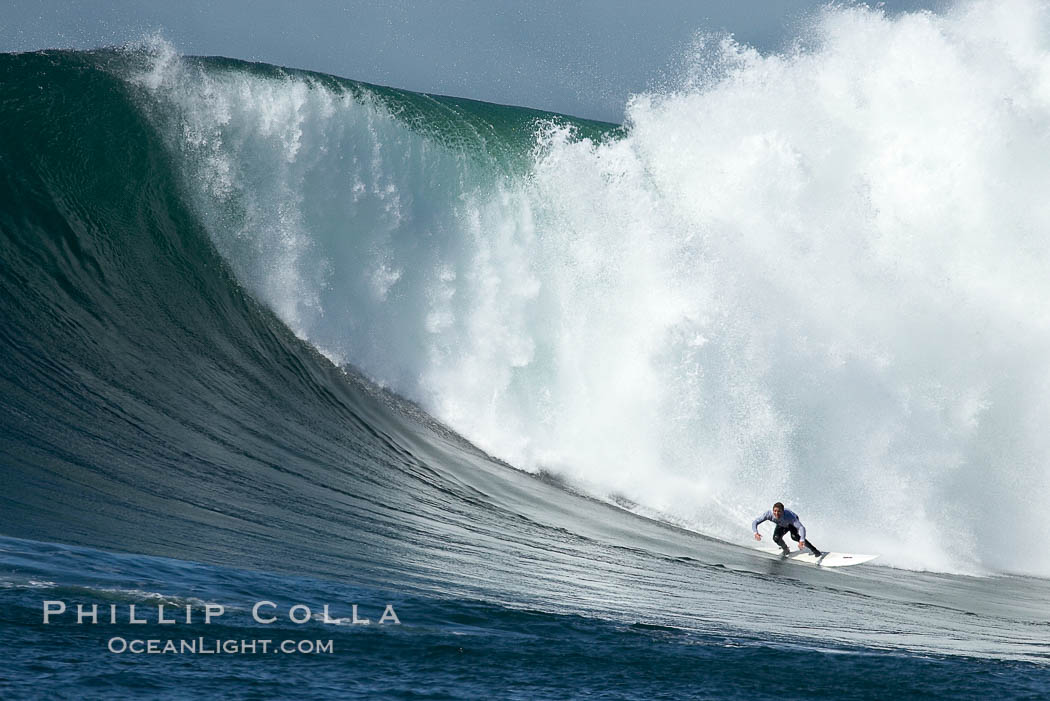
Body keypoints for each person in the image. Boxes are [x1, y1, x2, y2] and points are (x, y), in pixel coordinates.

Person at [752, 502, 822, 557]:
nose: (776, 513)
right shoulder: (768, 514)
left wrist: (802, 540)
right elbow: (755, 522)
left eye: (779, 511)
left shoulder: (789, 516)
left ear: (783, 511)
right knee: (776, 538)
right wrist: (755, 533)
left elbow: (801, 527)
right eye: (775, 511)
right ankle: (786, 549)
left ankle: (815, 550)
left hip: (791, 524)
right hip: (781, 525)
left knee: (794, 537)